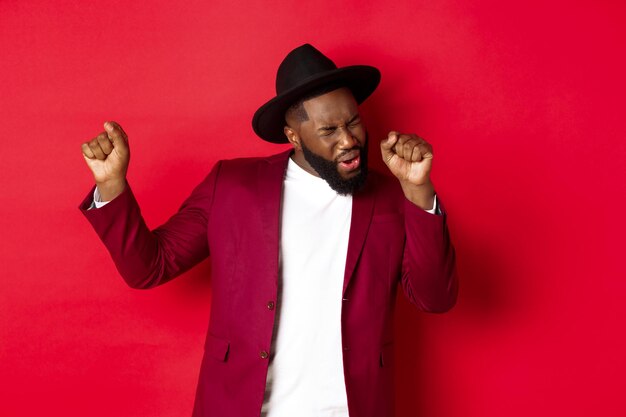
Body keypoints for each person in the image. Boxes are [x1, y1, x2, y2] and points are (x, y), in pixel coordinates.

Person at [79, 44, 458, 417]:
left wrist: (419, 190)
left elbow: (434, 298)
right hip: (245, 406)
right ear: (293, 136)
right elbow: (150, 266)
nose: (348, 140)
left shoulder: (394, 195)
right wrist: (112, 185)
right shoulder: (232, 186)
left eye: (353, 121)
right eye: (329, 130)